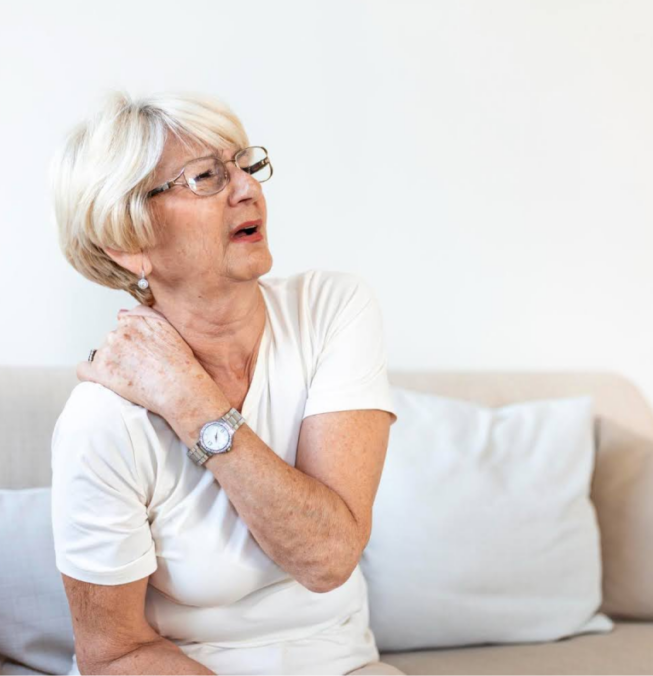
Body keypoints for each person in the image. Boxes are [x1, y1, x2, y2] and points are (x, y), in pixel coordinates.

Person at [48, 89, 403, 676]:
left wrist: (189, 398)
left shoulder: (332, 310)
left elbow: (327, 558)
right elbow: (113, 653)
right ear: (129, 242)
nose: (247, 189)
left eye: (245, 164)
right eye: (206, 177)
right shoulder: (101, 420)